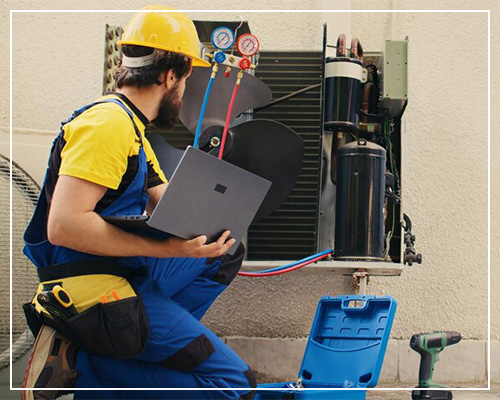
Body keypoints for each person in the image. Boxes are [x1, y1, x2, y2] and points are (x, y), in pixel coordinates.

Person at [21, 5, 256, 400]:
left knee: (225, 248)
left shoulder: (132, 129)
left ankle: (119, 358)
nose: (183, 94)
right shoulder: (107, 125)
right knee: (234, 385)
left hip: (124, 273)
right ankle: (85, 364)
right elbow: (64, 225)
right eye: (185, 80)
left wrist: (216, 206)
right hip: (91, 287)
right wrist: (167, 247)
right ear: (170, 76)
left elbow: (169, 205)